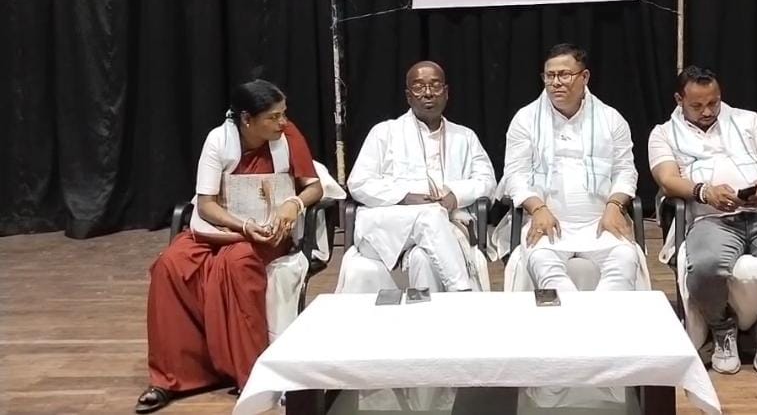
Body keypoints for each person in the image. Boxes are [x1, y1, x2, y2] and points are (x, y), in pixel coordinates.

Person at [136, 80, 324, 413]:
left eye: (284, 114)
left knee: (237, 262)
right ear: (247, 119)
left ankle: (249, 373)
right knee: (170, 264)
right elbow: (206, 205)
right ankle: (170, 377)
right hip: (224, 229)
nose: (283, 122)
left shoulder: (288, 136)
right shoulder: (218, 140)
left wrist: (293, 204)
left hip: (269, 232)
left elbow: (314, 187)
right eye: (274, 117)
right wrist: (242, 226)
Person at [649, 66, 757, 377]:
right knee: (705, 267)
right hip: (710, 218)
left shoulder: (749, 121)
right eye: (697, 105)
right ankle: (722, 330)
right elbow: (667, 179)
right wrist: (704, 192)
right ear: (679, 100)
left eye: (713, 103)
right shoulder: (663, 134)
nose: (707, 111)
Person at [338, 61, 496, 294]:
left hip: (445, 226)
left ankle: (425, 315)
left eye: (435, 86)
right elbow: (358, 183)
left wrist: (455, 196)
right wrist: (405, 197)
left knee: (424, 257)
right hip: (386, 227)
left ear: (446, 92)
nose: (428, 93)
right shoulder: (384, 132)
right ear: (408, 96)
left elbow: (487, 180)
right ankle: (462, 293)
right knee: (430, 215)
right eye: (419, 87)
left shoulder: (464, 136)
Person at [499, 43, 646, 292]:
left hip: (600, 220)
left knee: (624, 260)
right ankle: (570, 315)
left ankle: (601, 316)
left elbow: (625, 171)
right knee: (544, 265)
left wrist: (615, 205)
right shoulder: (525, 119)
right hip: (547, 222)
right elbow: (515, 175)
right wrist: (538, 208)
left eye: (564, 75)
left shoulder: (611, 118)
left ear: (584, 77)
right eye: (550, 76)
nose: (556, 82)